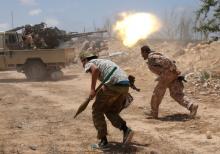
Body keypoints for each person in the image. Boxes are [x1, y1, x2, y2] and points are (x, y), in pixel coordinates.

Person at [79, 50, 134, 149]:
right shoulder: (105, 61)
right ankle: (126, 130)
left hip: (112, 84)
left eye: (82, 61)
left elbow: (95, 70)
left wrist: (92, 89)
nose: (83, 64)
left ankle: (103, 142)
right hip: (124, 85)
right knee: (110, 111)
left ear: (85, 59)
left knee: (97, 110)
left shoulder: (90, 63)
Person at [141, 45, 198, 119]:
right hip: (171, 75)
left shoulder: (151, 57)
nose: (142, 55)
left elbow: (167, 61)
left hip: (167, 75)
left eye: (142, 53)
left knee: (157, 93)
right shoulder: (156, 55)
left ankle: (153, 112)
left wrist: (173, 70)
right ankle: (192, 106)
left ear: (145, 52)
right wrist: (174, 72)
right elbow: (169, 62)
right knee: (176, 94)